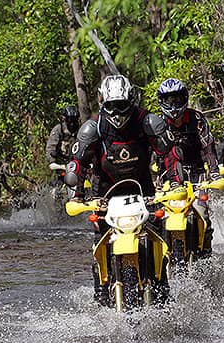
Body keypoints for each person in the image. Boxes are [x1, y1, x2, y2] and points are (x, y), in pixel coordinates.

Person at [64, 74, 169, 306]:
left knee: (158, 240)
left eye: (121, 105)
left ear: (131, 100)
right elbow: (77, 164)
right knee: (98, 243)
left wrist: (174, 183)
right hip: (104, 196)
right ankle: (101, 292)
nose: (117, 112)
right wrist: (77, 195)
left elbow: (170, 153)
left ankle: (162, 290)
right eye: (112, 106)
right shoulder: (93, 129)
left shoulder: (147, 122)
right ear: (103, 103)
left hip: (145, 193)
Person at [156, 78, 221, 257]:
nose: (173, 104)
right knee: (154, 217)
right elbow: (149, 151)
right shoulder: (157, 124)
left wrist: (214, 173)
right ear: (162, 101)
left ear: (184, 98)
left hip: (196, 175)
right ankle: (159, 263)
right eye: (169, 100)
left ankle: (205, 254)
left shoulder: (197, 119)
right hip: (167, 177)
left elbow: (208, 147)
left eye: (177, 99)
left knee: (202, 213)